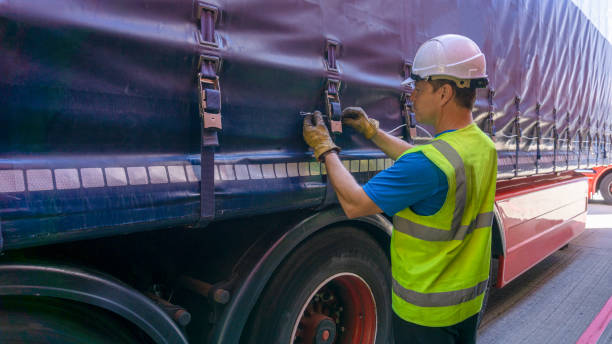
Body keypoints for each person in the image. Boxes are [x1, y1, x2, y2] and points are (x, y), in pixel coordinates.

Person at [302, 34, 497, 344]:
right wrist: (373, 133)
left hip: (425, 315)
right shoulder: (483, 146)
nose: (413, 98)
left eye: (419, 90)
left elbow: (354, 203)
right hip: (466, 304)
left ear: (444, 93)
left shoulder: (428, 164)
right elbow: (425, 164)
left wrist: (325, 149)